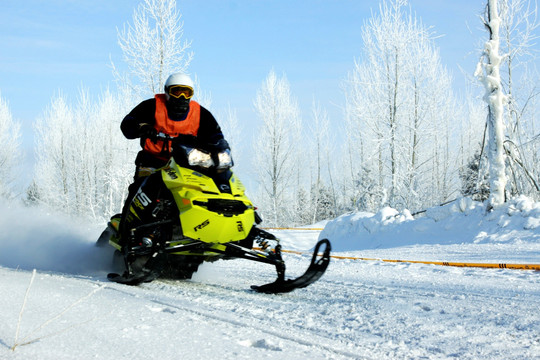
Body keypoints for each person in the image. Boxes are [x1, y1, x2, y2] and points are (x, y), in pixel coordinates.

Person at [119, 72, 230, 241]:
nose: (182, 97)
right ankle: (125, 232)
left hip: (185, 163)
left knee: (208, 188)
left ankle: (202, 229)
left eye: (187, 92)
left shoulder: (200, 113)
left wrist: (219, 146)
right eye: (177, 91)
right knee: (139, 190)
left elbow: (215, 134)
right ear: (167, 92)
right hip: (153, 159)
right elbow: (127, 124)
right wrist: (142, 127)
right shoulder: (152, 106)